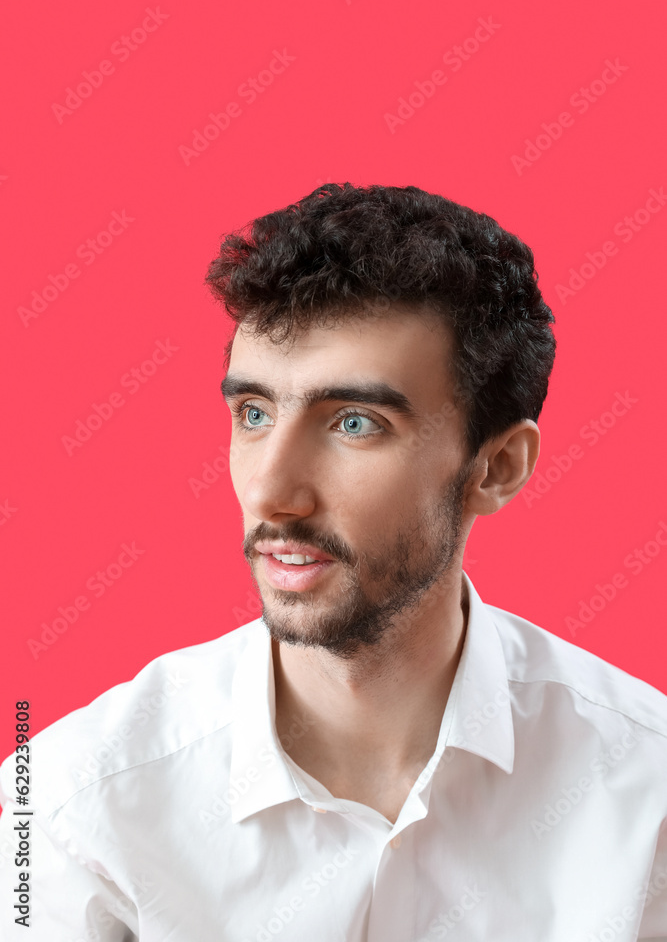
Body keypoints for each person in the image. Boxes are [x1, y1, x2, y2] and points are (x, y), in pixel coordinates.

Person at [1, 183, 666, 941]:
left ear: (497, 466)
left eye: (354, 423)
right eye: (253, 414)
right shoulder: (70, 797)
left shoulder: (647, 792)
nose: (271, 492)